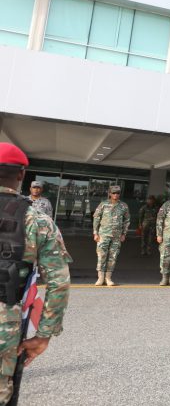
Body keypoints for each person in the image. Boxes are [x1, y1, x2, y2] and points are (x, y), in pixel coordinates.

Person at [0, 143, 70, 404]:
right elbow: (58, 282)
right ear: (21, 175)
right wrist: (43, 335)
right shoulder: (37, 220)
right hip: (4, 324)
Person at [92, 185, 130, 287]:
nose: (115, 195)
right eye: (113, 193)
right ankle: (100, 277)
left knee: (113, 257)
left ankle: (108, 278)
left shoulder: (123, 206)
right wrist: (95, 233)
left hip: (116, 236)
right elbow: (96, 218)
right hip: (103, 234)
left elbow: (127, 220)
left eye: (117, 193)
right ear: (109, 193)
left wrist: (124, 234)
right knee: (101, 255)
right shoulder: (103, 204)